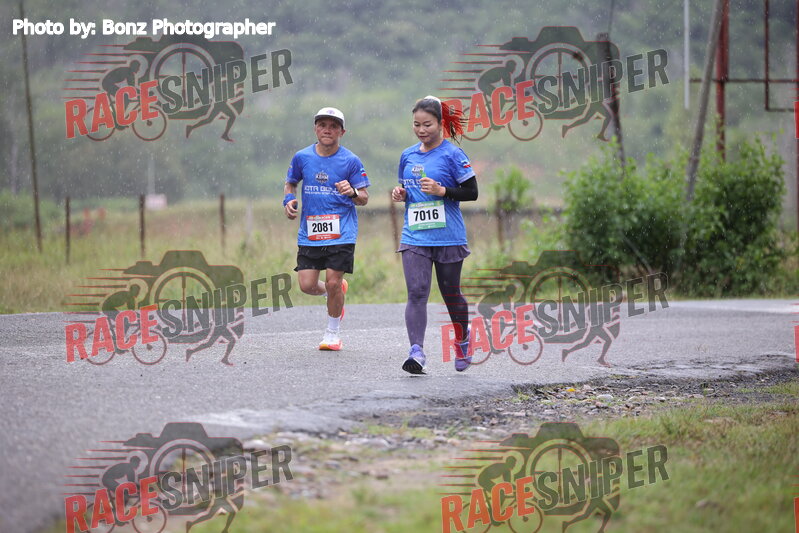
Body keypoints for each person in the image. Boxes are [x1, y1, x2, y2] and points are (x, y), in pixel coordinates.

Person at [392, 95, 478, 374]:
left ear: (441, 124)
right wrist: (401, 193)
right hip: (415, 236)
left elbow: (472, 192)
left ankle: (462, 339)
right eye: (416, 125)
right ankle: (416, 352)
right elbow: (407, 188)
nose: (421, 130)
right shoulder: (407, 155)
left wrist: (443, 191)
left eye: (427, 124)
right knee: (417, 292)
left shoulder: (453, 155)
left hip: (448, 236)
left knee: (450, 293)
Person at [283, 107, 370, 351]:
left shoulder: (351, 161)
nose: (327, 130)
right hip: (310, 232)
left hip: (341, 231)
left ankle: (332, 334)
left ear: (342, 132)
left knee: (333, 282)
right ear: (315, 129)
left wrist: (352, 192)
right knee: (307, 285)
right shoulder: (302, 157)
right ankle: (334, 294)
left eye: (333, 126)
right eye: (322, 125)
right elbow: (290, 183)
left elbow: (364, 198)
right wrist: (288, 200)